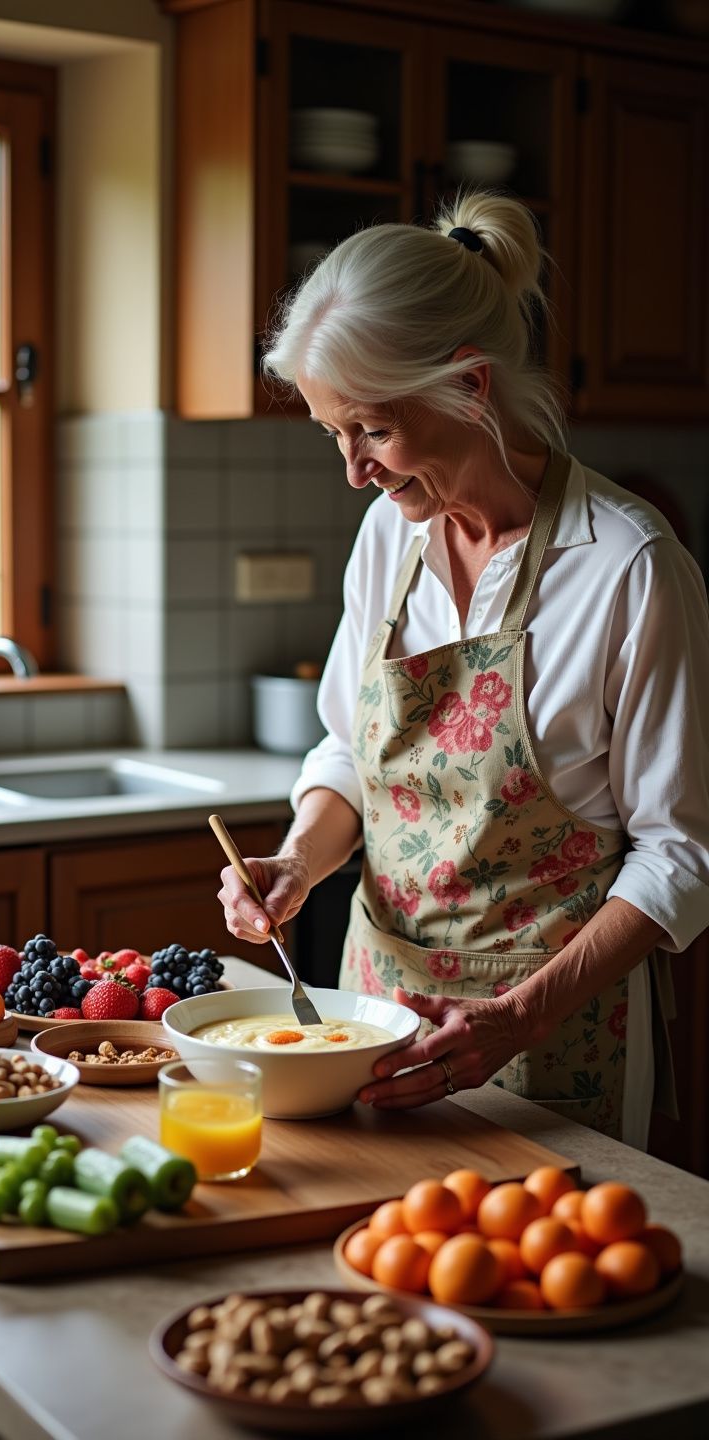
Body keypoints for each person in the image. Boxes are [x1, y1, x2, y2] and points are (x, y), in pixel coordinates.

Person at [217, 192, 709, 1147]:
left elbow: (681, 855)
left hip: (554, 1036)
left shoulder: (627, 565)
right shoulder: (385, 538)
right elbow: (350, 752)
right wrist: (298, 861)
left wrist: (517, 1017)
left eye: (372, 430)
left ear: (470, 387)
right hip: (374, 1017)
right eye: (333, 435)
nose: (354, 470)